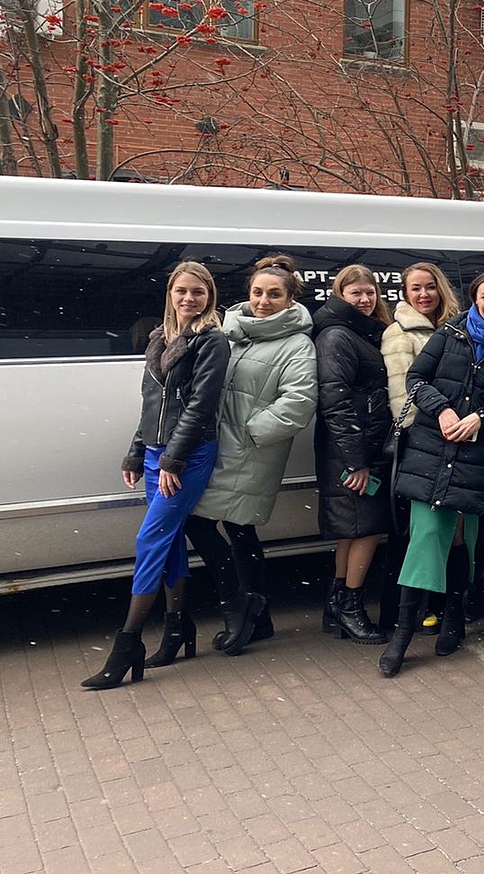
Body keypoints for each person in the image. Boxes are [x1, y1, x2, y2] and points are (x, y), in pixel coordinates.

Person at [83, 262, 229, 689]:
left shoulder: (212, 341)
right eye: (182, 290)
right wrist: (136, 453)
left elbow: (200, 406)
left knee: (150, 538)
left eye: (198, 292)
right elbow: (153, 406)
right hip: (154, 453)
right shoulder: (158, 339)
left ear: (210, 297)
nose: (189, 299)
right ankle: (178, 627)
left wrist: (172, 461)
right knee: (167, 541)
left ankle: (128, 644)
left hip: (190, 453)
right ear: (170, 293)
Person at [379, 272, 484, 676]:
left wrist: (482, 419)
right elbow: (416, 379)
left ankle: (453, 614)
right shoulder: (450, 334)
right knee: (426, 537)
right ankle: (404, 634)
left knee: (463, 538)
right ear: (474, 299)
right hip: (432, 448)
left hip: (474, 455)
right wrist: (443, 409)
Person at [187, 256, 318, 656]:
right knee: (241, 530)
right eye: (257, 293)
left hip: (248, 451)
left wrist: (250, 432)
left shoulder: (297, 343)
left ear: (291, 298)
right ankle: (257, 616)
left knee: (201, 521)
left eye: (274, 294)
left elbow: (299, 401)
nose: (263, 301)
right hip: (217, 447)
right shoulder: (229, 332)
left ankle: (241, 605)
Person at [312, 264, 393, 643]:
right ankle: (351, 608)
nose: (364, 300)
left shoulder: (358, 331)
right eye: (355, 293)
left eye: (369, 293)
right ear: (339, 295)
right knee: (368, 530)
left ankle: (336, 604)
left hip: (357, 446)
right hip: (353, 450)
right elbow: (336, 401)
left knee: (351, 530)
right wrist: (356, 461)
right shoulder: (338, 336)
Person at [382, 262, 463, 633]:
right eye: (415, 288)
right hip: (427, 443)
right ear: (405, 293)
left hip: (462, 438)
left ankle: (454, 603)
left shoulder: (459, 326)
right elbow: (404, 400)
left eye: (430, 286)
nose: (424, 294)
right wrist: (442, 420)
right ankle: (424, 608)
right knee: (425, 531)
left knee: (456, 528)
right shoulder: (399, 334)